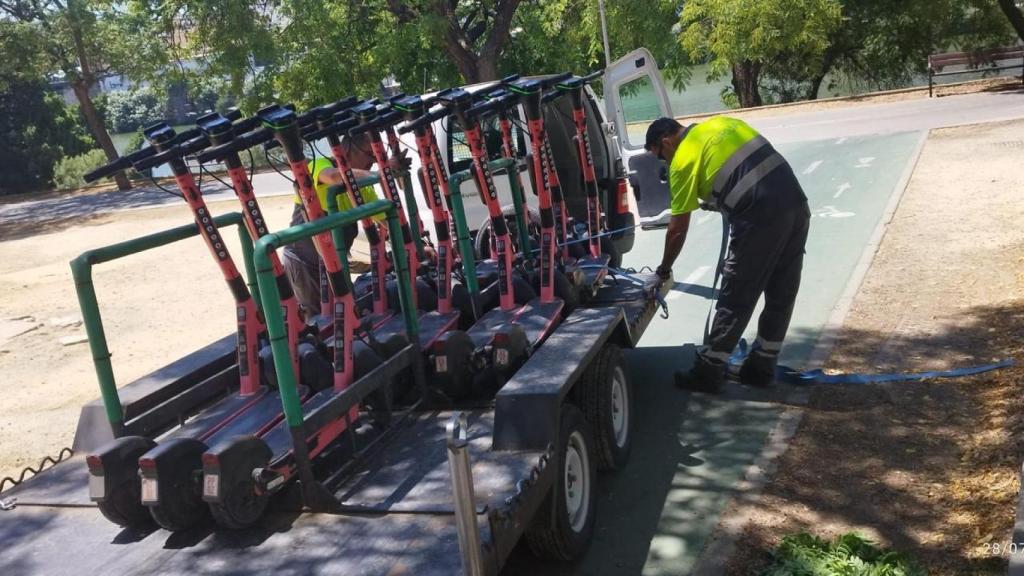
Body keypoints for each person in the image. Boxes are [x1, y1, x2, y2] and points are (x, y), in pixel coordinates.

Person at [646, 116, 811, 392]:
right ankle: (761, 368)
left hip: (760, 217)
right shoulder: (721, 124)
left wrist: (664, 268)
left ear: (666, 142)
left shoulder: (682, 160)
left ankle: (708, 372)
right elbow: (742, 170)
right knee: (782, 291)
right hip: (796, 204)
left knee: (737, 294)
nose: (665, 162)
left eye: (661, 156)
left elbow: (677, 229)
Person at [282, 132, 407, 321]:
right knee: (321, 322)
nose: (373, 162)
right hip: (306, 262)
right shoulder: (320, 165)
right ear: (348, 148)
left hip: (334, 264)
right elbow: (333, 177)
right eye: (369, 155)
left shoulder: (363, 186)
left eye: (376, 158)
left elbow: (387, 220)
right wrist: (381, 171)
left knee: (348, 316)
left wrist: (412, 243)